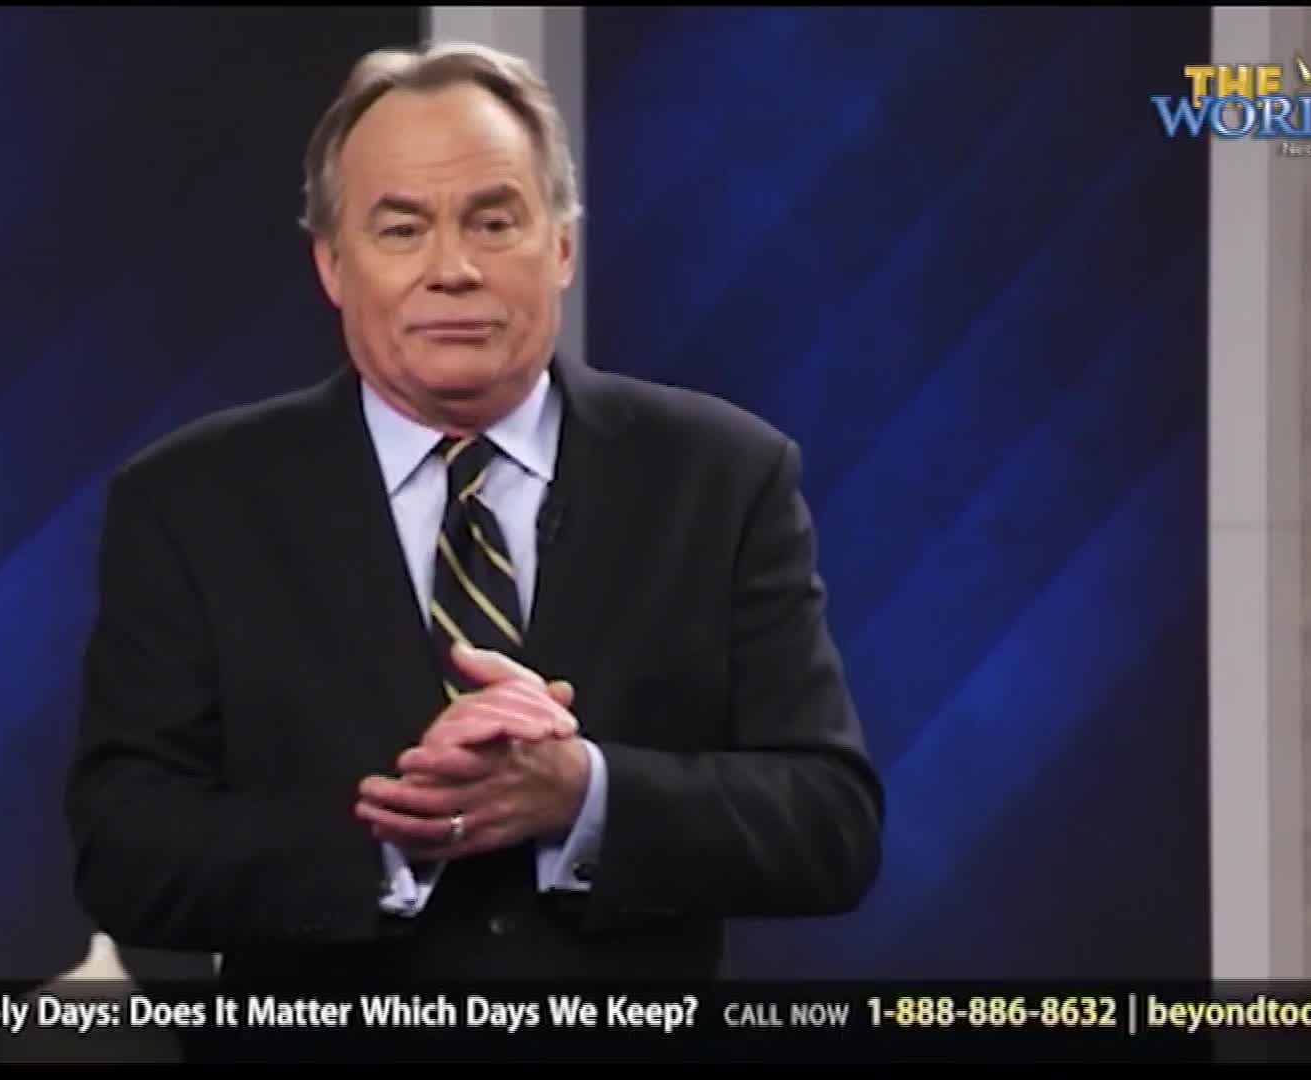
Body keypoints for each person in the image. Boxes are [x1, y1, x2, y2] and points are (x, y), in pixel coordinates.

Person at [63, 40, 883, 986]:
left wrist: (584, 795)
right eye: (401, 229)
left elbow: (832, 822)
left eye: (494, 223)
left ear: (563, 246)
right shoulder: (191, 501)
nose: (452, 268)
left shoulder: (723, 476)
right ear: (332, 263)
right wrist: (398, 841)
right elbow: (124, 849)